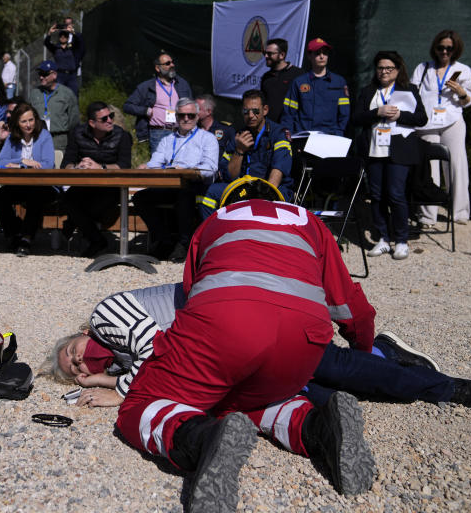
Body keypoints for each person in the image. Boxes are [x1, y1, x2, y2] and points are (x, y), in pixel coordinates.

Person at [117, 176, 379, 509]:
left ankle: (198, 440)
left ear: (228, 202)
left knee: (140, 403)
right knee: (243, 400)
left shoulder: (214, 223)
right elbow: (351, 307)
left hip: (228, 322)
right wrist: (364, 354)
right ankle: (317, 427)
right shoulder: (309, 223)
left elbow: (190, 295)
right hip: (303, 341)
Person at [50, 277, 471, 414]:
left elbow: (153, 347)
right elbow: (159, 361)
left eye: (71, 350)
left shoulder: (105, 316)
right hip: (235, 349)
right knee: (328, 393)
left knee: (338, 368)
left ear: (81, 333)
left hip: (249, 318)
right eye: (73, 369)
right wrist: (108, 375)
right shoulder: (118, 352)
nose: (76, 361)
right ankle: (387, 353)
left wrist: (117, 390)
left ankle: (445, 387)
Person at [352, 51, 428, 260]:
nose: (384, 72)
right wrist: (377, 112)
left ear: (397, 70)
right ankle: (383, 238)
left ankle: (401, 240)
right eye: (380, 68)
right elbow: (356, 118)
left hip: (399, 150)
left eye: (388, 68)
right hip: (374, 150)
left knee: (395, 194)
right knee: (376, 196)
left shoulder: (409, 89)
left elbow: (422, 118)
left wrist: (400, 115)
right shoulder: (368, 91)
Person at [132, 98, 218, 262]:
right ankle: (164, 240)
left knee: (184, 195)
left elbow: (210, 168)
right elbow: (155, 163)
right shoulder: (167, 140)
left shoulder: (207, 138)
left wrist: (188, 171)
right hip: (170, 184)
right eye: (182, 115)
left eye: (191, 115)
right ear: (176, 117)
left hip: (195, 184)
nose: (186, 119)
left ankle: (183, 243)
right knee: (140, 197)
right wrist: (147, 167)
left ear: (197, 117)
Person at [412, 30, 471, 226]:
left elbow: (467, 102)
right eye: (441, 48)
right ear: (435, 48)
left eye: (449, 48)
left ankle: (460, 213)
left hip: (452, 121)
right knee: (428, 169)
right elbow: (413, 94)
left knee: (456, 165)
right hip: (426, 124)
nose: (445, 52)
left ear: (455, 49)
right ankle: (427, 216)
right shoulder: (423, 68)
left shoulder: (463, 70)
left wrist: (461, 92)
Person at [198, 89, 292, 219]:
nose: (251, 115)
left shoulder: (278, 133)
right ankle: (214, 235)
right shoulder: (238, 134)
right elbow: (229, 176)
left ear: (265, 110)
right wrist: (239, 151)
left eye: (256, 111)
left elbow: (278, 170)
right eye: (246, 111)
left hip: (271, 188)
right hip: (244, 188)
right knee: (206, 193)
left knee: (275, 197)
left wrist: (263, 196)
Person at [60, 100, 133, 257]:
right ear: (92, 123)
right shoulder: (77, 133)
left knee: (93, 206)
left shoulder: (122, 136)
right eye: (104, 118)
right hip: (84, 185)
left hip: (111, 186)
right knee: (67, 200)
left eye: (111, 116)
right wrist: (78, 166)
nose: (110, 120)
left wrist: (101, 167)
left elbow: (125, 165)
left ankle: (78, 227)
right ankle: (98, 240)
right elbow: (66, 163)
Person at [0, 102, 56, 256]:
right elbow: (0, 163)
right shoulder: (12, 139)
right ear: (17, 123)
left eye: (31, 120)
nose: (28, 125)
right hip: (19, 184)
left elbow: (48, 164)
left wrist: (15, 164)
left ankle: (26, 239)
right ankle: (15, 233)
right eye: (24, 121)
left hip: (43, 185)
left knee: (36, 197)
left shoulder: (44, 136)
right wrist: (23, 162)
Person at [123, 52, 193, 153]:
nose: (172, 65)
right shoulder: (147, 86)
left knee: (179, 164)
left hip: (180, 131)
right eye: (167, 63)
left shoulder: (182, 84)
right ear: (157, 68)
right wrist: (145, 111)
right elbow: (127, 106)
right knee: (160, 166)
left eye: (172, 62)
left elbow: (192, 106)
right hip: (159, 132)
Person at [280, 38, 351, 136]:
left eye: (325, 53)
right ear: (309, 56)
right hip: (304, 136)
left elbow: (344, 113)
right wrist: (288, 132)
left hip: (330, 137)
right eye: (317, 53)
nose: (322, 56)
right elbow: (288, 113)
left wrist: (338, 133)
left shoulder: (339, 82)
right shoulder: (299, 82)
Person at [27, 60, 79, 154]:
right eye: (40, 74)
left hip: (59, 140)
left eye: (44, 74)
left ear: (54, 75)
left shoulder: (67, 94)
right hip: (37, 138)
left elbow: (74, 121)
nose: (41, 77)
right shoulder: (35, 93)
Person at [260, 38, 306, 123]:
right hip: (269, 128)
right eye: (265, 53)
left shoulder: (299, 75)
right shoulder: (266, 77)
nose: (266, 56)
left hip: (290, 128)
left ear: (282, 55)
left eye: (270, 54)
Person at [43, 21, 85, 97]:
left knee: (74, 95)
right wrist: (50, 33)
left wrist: (73, 32)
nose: (63, 37)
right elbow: (47, 43)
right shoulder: (55, 48)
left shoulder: (72, 48)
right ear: (59, 38)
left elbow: (80, 42)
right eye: (61, 36)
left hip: (72, 75)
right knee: (59, 95)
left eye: (65, 36)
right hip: (60, 75)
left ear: (68, 37)